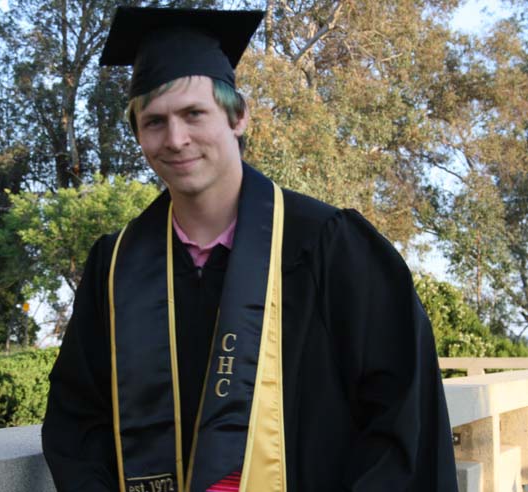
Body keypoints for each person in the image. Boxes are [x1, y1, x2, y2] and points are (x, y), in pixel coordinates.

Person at [42, 6, 458, 492]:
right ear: (137, 134)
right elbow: (77, 421)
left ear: (237, 117)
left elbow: (401, 414)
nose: (176, 139)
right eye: (154, 122)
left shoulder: (329, 246)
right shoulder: (114, 269)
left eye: (194, 114)